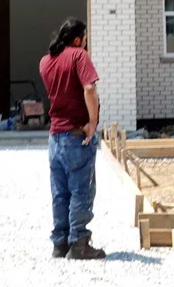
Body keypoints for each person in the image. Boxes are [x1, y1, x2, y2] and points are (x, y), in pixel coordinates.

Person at [39, 18, 105, 260]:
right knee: (81, 190)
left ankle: (60, 243)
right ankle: (79, 243)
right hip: (76, 135)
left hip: (55, 137)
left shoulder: (46, 61)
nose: (86, 44)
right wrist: (92, 122)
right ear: (78, 39)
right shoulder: (79, 56)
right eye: (85, 39)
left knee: (60, 192)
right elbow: (89, 89)